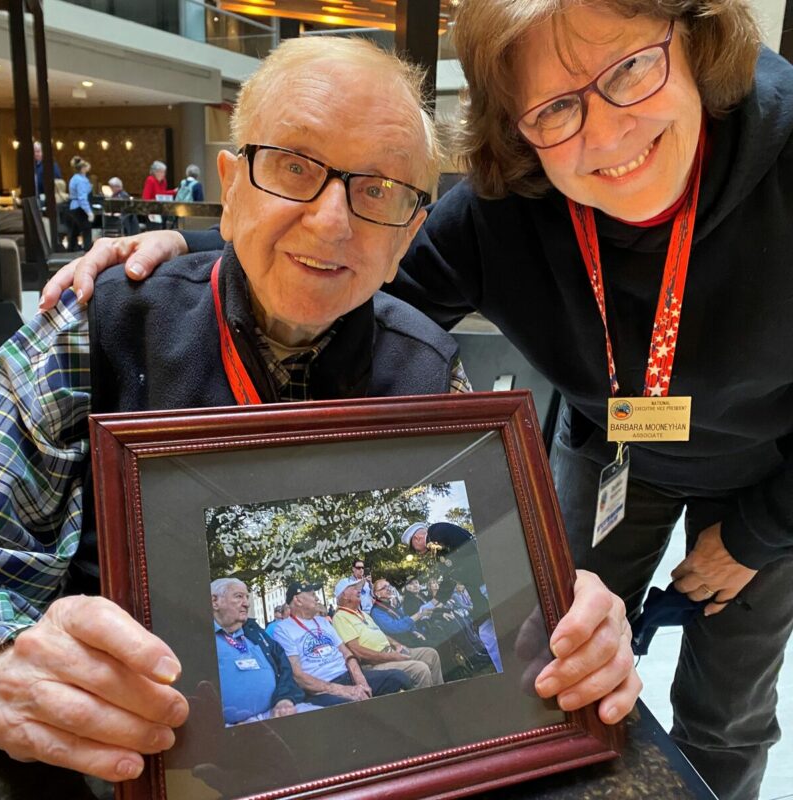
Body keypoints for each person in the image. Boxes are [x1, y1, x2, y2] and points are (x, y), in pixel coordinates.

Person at [64, 3, 790, 791]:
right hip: (609, 447)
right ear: (517, 127)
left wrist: (759, 534)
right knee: (564, 657)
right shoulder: (503, 207)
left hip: (770, 469)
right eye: (553, 108)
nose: (606, 132)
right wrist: (200, 262)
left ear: (693, 41)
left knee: (728, 704)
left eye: (629, 68)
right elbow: (345, 266)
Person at [272, 580, 410, 705]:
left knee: (398, 678)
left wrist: (360, 680)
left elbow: (346, 653)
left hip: (347, 676)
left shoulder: (322, 622)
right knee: (349, 708)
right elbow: (298, 675)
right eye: (312, 594)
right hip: (322, 687)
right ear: (298, 600)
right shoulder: (283, 629)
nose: (317, 598)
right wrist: (343, 690)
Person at [210, 579, 317, 724]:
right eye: (239, 596)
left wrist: (284, 699)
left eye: (247, 597)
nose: (247, 603)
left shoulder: (255, 633)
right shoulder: (201, 641)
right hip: (234, 727)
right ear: (215, 601)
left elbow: (284, 667)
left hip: (275, 713)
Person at [402, 521, 501, 672]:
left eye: (414, 548)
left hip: (483, 584)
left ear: (416, 539)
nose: (417, 553)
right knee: (487, 634)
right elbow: (450, 577)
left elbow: (455, 567)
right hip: (479, 588)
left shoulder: (436, 531)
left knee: (496, 629)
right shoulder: (437, 545)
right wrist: (434, 603)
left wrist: (434, 602)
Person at [332, 577, 442, 689]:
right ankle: (429, 703)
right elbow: (357, 651)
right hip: (374, 663)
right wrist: (390, 656)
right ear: (344, 595)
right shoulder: (340, 617)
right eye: (354, 588)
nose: (359, 591)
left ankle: (440, 694)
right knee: (421, 669)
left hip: (391, 651)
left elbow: (380, 633)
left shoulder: (363, 614)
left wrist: (396, 644)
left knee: (431, 654)